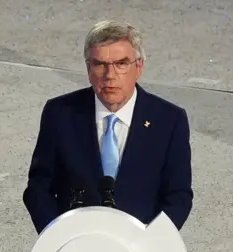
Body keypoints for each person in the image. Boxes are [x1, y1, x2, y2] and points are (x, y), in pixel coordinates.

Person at [23, 20, 193, 234]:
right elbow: (39, 187)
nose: (110, 75)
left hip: (141, 248)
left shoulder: (169, 120)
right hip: (74, 246)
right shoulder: (60, 114)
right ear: (88, 68)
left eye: (121, 64)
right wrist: (57, 236)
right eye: (100, 64)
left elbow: (178, 196)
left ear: (138, 67)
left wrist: (152, 242)